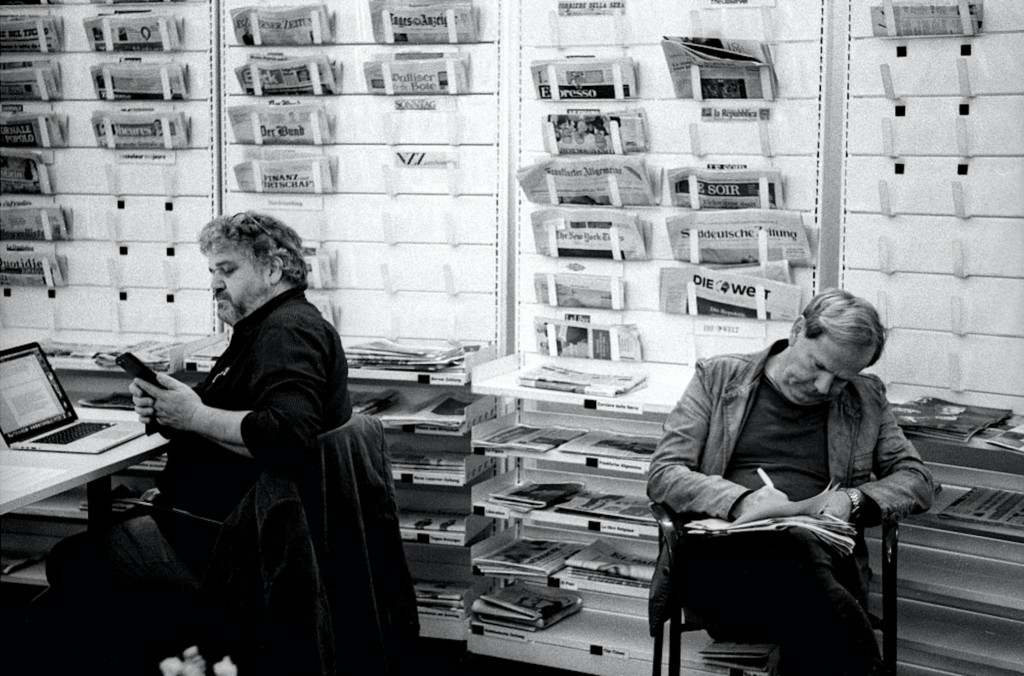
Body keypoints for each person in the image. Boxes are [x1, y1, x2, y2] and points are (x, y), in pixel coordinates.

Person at [34, 211, 352, 674]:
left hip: (225, 540)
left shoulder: (287, 331)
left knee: (71, 563)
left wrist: (194, 415)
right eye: (212, 271)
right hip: (229, 524)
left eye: (228, 270)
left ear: (273, 269)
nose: (215, 284)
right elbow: (237, 420)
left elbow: (285, 436)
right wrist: (171, 413)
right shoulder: (263, 328)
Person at [647, 288, 934, 676]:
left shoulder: (865, 397)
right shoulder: (718, 378)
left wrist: (852, 501)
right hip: (725, 568)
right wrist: (742, 501)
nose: (823, 387)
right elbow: (665, 473)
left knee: (802, 560)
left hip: (819, 567)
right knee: (799, 559)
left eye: (841, 379)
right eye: (818, 366)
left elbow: (916, 479)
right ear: (798, 330)